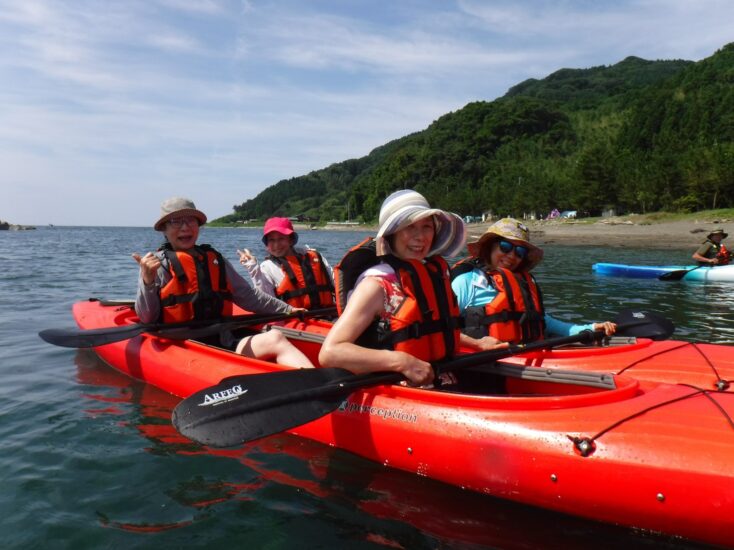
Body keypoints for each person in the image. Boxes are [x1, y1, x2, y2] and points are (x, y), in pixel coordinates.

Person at [319, 189, 503, 387]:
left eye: (427, 227)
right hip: (397, 391)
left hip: (440, 379)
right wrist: (402, 362)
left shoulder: (430, 276)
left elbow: (434, 327)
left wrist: (477, 343)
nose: (420, 237)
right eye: (409, 227)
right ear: (391, 235)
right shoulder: (375, 285)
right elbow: (330, 352)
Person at [132, 197, 315, 368]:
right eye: (176, 221)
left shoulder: (215, 260)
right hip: (180, 347)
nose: (185, 227)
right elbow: (147, 318)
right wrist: (147, 281)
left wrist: (286, 309)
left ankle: (325, 391)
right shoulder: (156, 265)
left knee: (276, 338)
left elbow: (248, 296)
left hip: (221, 341)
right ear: (164, 229)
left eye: (191, 220)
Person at [451, 218, 616, 344]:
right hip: (481, 362)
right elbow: (443, 330)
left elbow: (545, 323)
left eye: (520, 251)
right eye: (505, 247)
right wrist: (477, 344)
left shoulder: (522, 284)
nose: (511, 256)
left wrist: (591, 328)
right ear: (490, 247)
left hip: (522, 355)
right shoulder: (467, 281)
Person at [237, 217, 335, 309]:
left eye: (281, 238)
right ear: (266, 243)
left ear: (291, 240)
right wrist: (253, 269)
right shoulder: (266, 267)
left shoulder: (314, 256)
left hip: (328, 313)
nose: (276, 245)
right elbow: (266, 301)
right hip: (294, 319)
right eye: (271, 240)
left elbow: (335, 281)